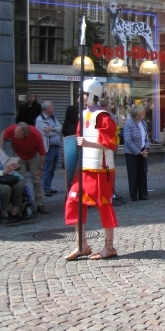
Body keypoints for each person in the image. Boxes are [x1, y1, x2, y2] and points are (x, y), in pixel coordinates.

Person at [64, 79, 119, 261]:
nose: (80, 97)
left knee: (104, 206)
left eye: (84, 94)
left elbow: (111, 143)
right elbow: (79, 140)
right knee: (73, 201)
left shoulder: (103, 117)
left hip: (100, 170)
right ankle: (83, 245)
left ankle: (109, 247)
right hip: (84, 169)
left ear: (92, 95)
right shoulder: (83, 115)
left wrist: (88, 143)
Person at [0, 122, 49, 214]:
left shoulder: (36, 135)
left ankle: (40, 204)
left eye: (17, 135)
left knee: (36, 179)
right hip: (19, 155)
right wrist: (1, 147)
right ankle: (19, 203)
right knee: (20, 180)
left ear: (26, 134)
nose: (14, 135)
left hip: (34, 156)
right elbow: (4, 133)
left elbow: (42, 154)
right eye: (15, 132)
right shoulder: (12, 129)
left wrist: (41, 168)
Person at [35, 101, 62, 197]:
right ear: (46, 108)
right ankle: (44, 189)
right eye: (52, 106)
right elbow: (47, 133)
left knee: (52, 169)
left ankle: (48, 187)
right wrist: (55, 130)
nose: (54, 108)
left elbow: (61, 128)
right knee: (47, 168)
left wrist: (52, 128)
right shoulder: (39, 120)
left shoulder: (53, 118)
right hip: (48, 147)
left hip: (55, 147)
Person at [123, 104, 149, 201]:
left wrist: (146, 148)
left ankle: (143, 193)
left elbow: (146, 137)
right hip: (131, 152)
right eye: (142, 112)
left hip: (143, 149)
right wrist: (138, 152)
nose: (144, 114)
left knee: (143, 172)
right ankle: (133, 194)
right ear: (137, 114)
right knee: (133, 173)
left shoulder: (144, 123)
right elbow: (128, 140)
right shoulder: (129, 124)